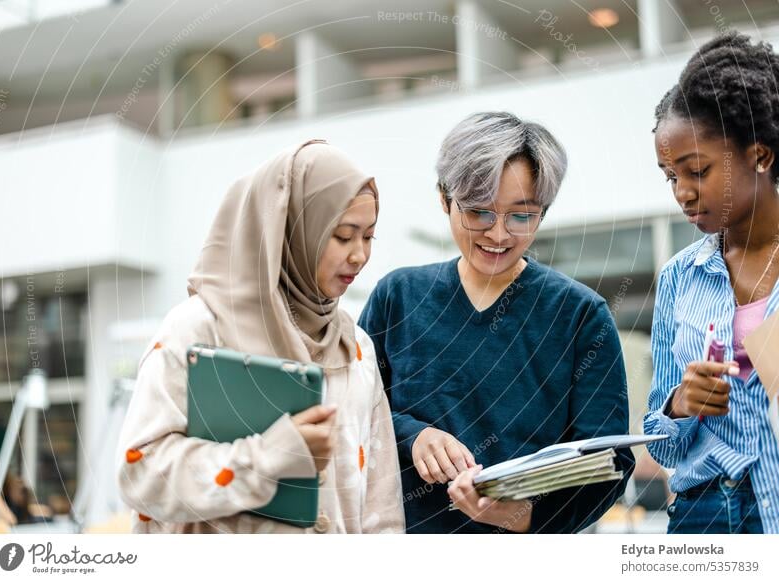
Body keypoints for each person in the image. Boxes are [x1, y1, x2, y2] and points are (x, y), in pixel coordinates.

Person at [359, 112, 634, 533]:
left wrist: (523, 518)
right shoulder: (398, 298)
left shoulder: (579, 315)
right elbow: (351, 412)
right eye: (479, 213)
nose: (499, 234)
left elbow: (610, 461)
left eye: (522, 216)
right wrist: (412, 436)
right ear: (444, 199)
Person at [116, 140, 404, 533]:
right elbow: (140, 470)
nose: (359, 256)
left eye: (368, 237)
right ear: (293, 229)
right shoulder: (199, 329)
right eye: (342, 235)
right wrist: (267, 458)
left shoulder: (355, 348)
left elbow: (380, 508)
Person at [644, 31, 779, 534]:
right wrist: (681, 403)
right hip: (704, 520)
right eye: (669, 176)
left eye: (695, 170)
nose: (681, 192)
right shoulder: (681, 277)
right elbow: (661, 443)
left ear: (759, 156)